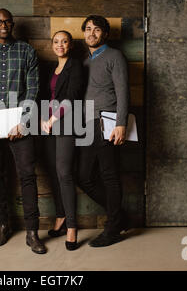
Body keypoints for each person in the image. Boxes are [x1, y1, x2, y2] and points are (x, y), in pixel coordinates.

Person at [0, 9, 46, 254]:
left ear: (12, 24)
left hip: (19, 127)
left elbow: (33, 90)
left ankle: (32, 232)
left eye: (6, 21)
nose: (3, 25)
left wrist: (24, 122)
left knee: (27, 175)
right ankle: (3, 225)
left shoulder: (27, 52)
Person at [78, 15, 130, 247]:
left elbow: (123, 92)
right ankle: (120, 217)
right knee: (84, 177)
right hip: (88, 125)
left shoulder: (114, 56)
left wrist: (121, 124)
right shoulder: (84, 60)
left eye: (96, 29)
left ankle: (112, 230)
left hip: (107, 123)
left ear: (105, 34)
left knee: (109, 176)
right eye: (88, 29)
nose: (91, 33)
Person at [40, 31, 84, 251]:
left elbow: (73, 96)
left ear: (71, 45)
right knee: (53, 173)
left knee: (65, 174)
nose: (60, 45)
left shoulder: (75, 66)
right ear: (52, 45)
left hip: (66, 124)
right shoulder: (50, 68)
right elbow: (42, 96)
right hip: (47, 126)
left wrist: (53, 118)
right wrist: (41, 120)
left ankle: (72, 227)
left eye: (64, 41)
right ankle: (60, 217)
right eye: (56, 42)